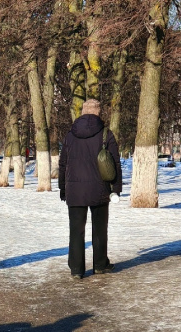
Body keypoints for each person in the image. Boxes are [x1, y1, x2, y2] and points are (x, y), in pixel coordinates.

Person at [58, 98, 122, 278]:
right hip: (99, 190)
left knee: (76, 231)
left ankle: (77, 270)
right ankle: (100, 264)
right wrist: (115, 189)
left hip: (75, 191)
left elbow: (63, 164)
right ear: (98, 112)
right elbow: (114, 163)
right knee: (100, 229)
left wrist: (63, 188)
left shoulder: (70, 135)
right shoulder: (105, 134)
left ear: (82, 112)